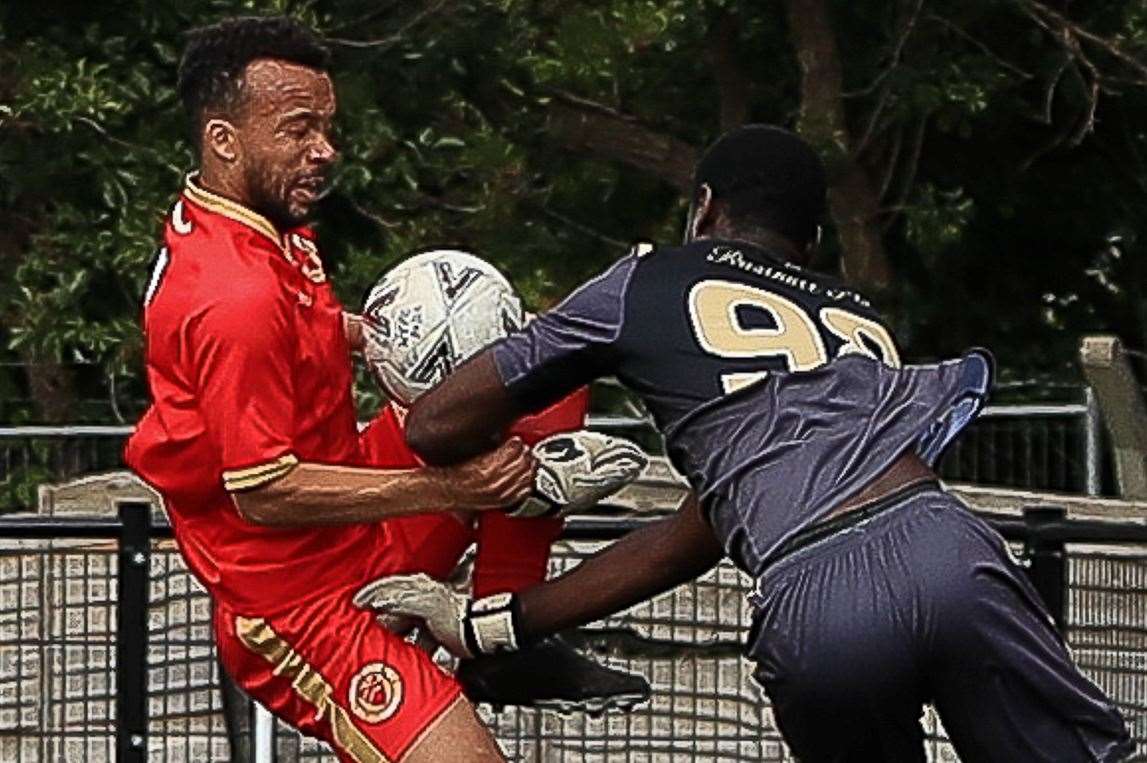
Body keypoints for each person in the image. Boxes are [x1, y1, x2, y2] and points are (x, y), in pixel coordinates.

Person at [355, 125, 1134, 761]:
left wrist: (523, 477)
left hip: (814, 587)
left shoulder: (647, 280)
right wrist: (498, 624)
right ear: (813, 240)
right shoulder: (859, 323)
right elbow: (692, 537)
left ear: (703, 208)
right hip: (950, 549)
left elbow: (435, 422)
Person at [125, 16, 535, 762]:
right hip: (299, 603)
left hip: (360, 532)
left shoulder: (257, 222)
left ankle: (501, 641)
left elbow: (308, 324)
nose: (325, 151)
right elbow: (264, 490)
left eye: (327, 126)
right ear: (223, 139)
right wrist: (454, 487)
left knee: (532, 369)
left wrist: (411, 334)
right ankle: (487, 635)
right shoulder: (234, 296)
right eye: (298, 130)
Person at [358, 380, 651, 711]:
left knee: (533, 358)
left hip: (369, 542)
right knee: (529, 360)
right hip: (331, 561)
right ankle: (500, 628)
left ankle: (500, 625)